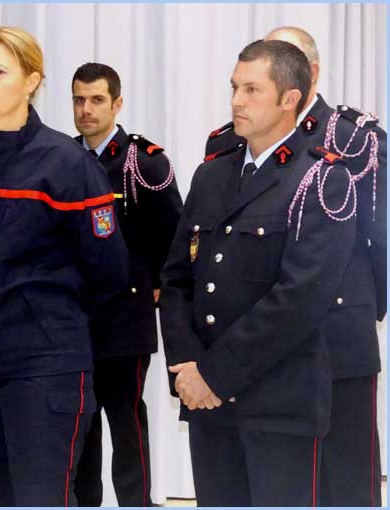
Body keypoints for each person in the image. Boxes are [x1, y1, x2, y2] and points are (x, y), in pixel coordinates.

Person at [0, 26, 129, 506]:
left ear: (31, 81)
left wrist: (44, 318)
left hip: (43, 365)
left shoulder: (67, 163)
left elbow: (108, 269)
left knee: (40, 497)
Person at [160, 39, 358, 505]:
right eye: (234, 87)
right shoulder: (212, 175)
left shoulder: (321, 180)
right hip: (208, 405)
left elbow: (299, 299)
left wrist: (214, 375)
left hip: (279, 405)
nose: (236, 101)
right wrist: (189, 371)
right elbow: (176, 281)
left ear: (290, 98)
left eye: (252, 90)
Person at [206, 26, 387, 506]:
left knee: (348, 477)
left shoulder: (354, 138)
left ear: (310, 73)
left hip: (338, 333)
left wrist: (371, 305)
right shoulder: (228, 142)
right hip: (266, 340)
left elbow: (380, 231)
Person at [70, 62, 182, 507]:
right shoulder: (62, 158)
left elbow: (174, 234)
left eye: (97, 100)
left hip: (125, 318)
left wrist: (157, 285)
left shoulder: (143, 162)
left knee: (126, 420)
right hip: (75, 318)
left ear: (117, 104)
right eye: (79, 99)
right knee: (82, 424)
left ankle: (137, 504)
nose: (86, 109)